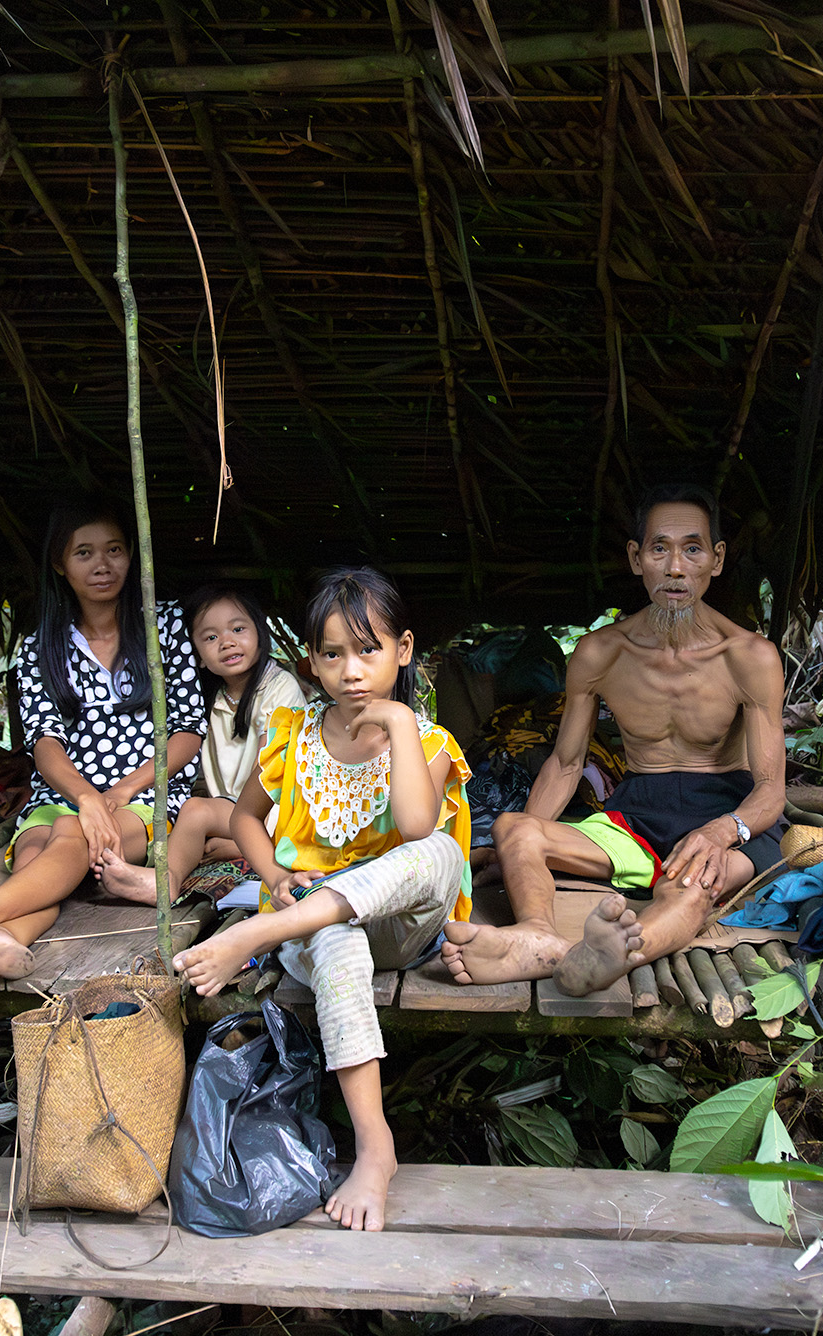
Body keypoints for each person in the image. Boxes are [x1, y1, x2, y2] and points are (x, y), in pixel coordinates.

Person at [171, 568, 471, 1232]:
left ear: (403, 648)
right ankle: (374, 1147)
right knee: (334, 937)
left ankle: (252, 935)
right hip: (317, 931)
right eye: (331, 653)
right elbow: (245, 817)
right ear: (310, 662)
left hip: (400, 930)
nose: (350, 670)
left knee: (439, 852)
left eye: (368, 649)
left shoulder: (429, 741)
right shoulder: (293, 732)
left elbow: (419, 827)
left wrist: (397, 726)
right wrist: (272, 870)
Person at [440, 484, 786, 996]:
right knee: (515, 829)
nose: (674, 568)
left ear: (715, 561)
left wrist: (720, 833)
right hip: (637, 813)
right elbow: (565, 763)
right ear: (635, 558)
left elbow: (770, 790)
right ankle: (538, 937)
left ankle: (613, 954)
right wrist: (520, 852)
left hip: (727, 809)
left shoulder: (750, 657)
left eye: (692, 549)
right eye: (658, 549)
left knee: (691, 890)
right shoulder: (601, 652)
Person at [0, 500, 207, 979]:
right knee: (39, 856)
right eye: (84, 553)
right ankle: (6, 943)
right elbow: (44, 742)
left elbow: (187, 729)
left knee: (70, 835)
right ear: (61, 565)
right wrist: (84, 796)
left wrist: (117, 794)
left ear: (132, 556)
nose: (102, 565)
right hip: (61, 795)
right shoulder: (42, 645)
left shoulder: (163, 625)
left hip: (145, 796)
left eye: (115, 550)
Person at [94, 583, 306, 902]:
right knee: (193, 817)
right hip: (233, 813)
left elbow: (267, 772)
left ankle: (167, 882)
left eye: (238, 628)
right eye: (210, 637)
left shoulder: (279, 688)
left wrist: (243, 835)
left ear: (261, 634)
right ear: (199, 658)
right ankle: (173, 872)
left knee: (195, 811)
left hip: (273, 812)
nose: (227, 642)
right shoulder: (212, 700)